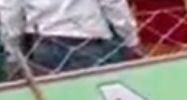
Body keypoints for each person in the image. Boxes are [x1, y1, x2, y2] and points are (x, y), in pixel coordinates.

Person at [0, 0, 142, 81]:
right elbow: (113, 4)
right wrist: (131, 39)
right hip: (87, 40)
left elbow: (9, 14)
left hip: (43, 43)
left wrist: (13, 52)